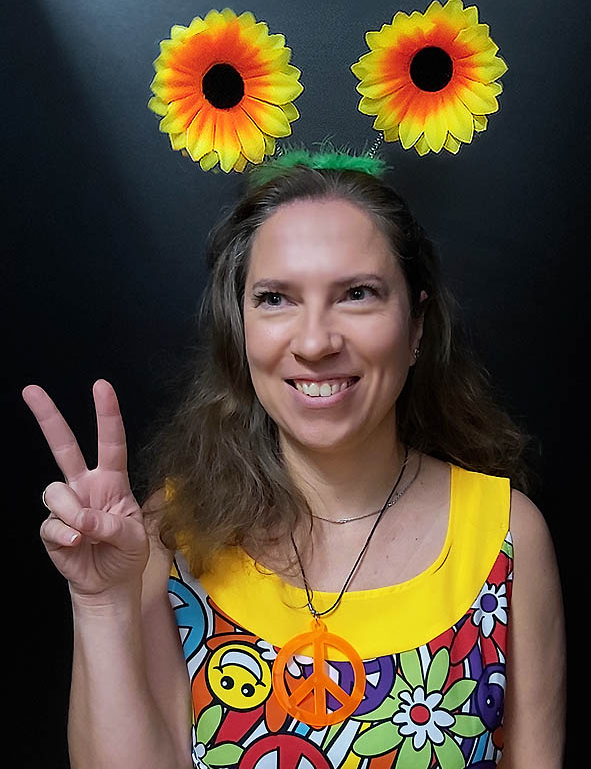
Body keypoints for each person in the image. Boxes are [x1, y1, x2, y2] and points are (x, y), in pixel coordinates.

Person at [23, 160, 566, 769]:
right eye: (275, 299)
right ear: (241, 327)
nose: (314, 343)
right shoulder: (170, 535)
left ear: (416, 324)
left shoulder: (507, 536)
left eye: (357, 294)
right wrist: (101, 604)